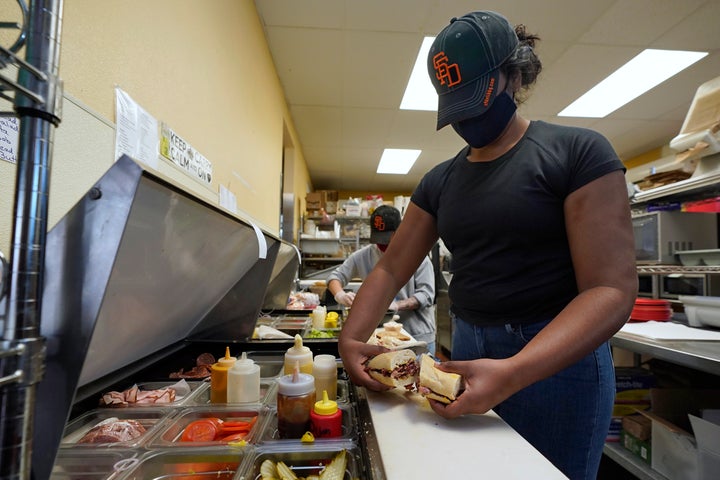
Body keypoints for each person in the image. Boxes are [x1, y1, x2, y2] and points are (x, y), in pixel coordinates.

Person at [337, 10, 637, 480]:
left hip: (558, 365)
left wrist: (514, 370)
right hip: (468, 350)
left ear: (514, 74)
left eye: (477, 98)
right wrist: (351, 339)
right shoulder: (440, 182)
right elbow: (390, 269)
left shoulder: (578, 153)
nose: (468, 118)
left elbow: (611, 290)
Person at [327, 205, 437, 354]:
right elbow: (335, 277)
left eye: (387, 239)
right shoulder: (364, 256)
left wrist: (397, 304)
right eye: (379, 239)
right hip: (381, 337)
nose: (382, 245)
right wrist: (340, 294)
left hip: (416, 336)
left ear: (400, 231)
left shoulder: (418, 256)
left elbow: (427, 295)